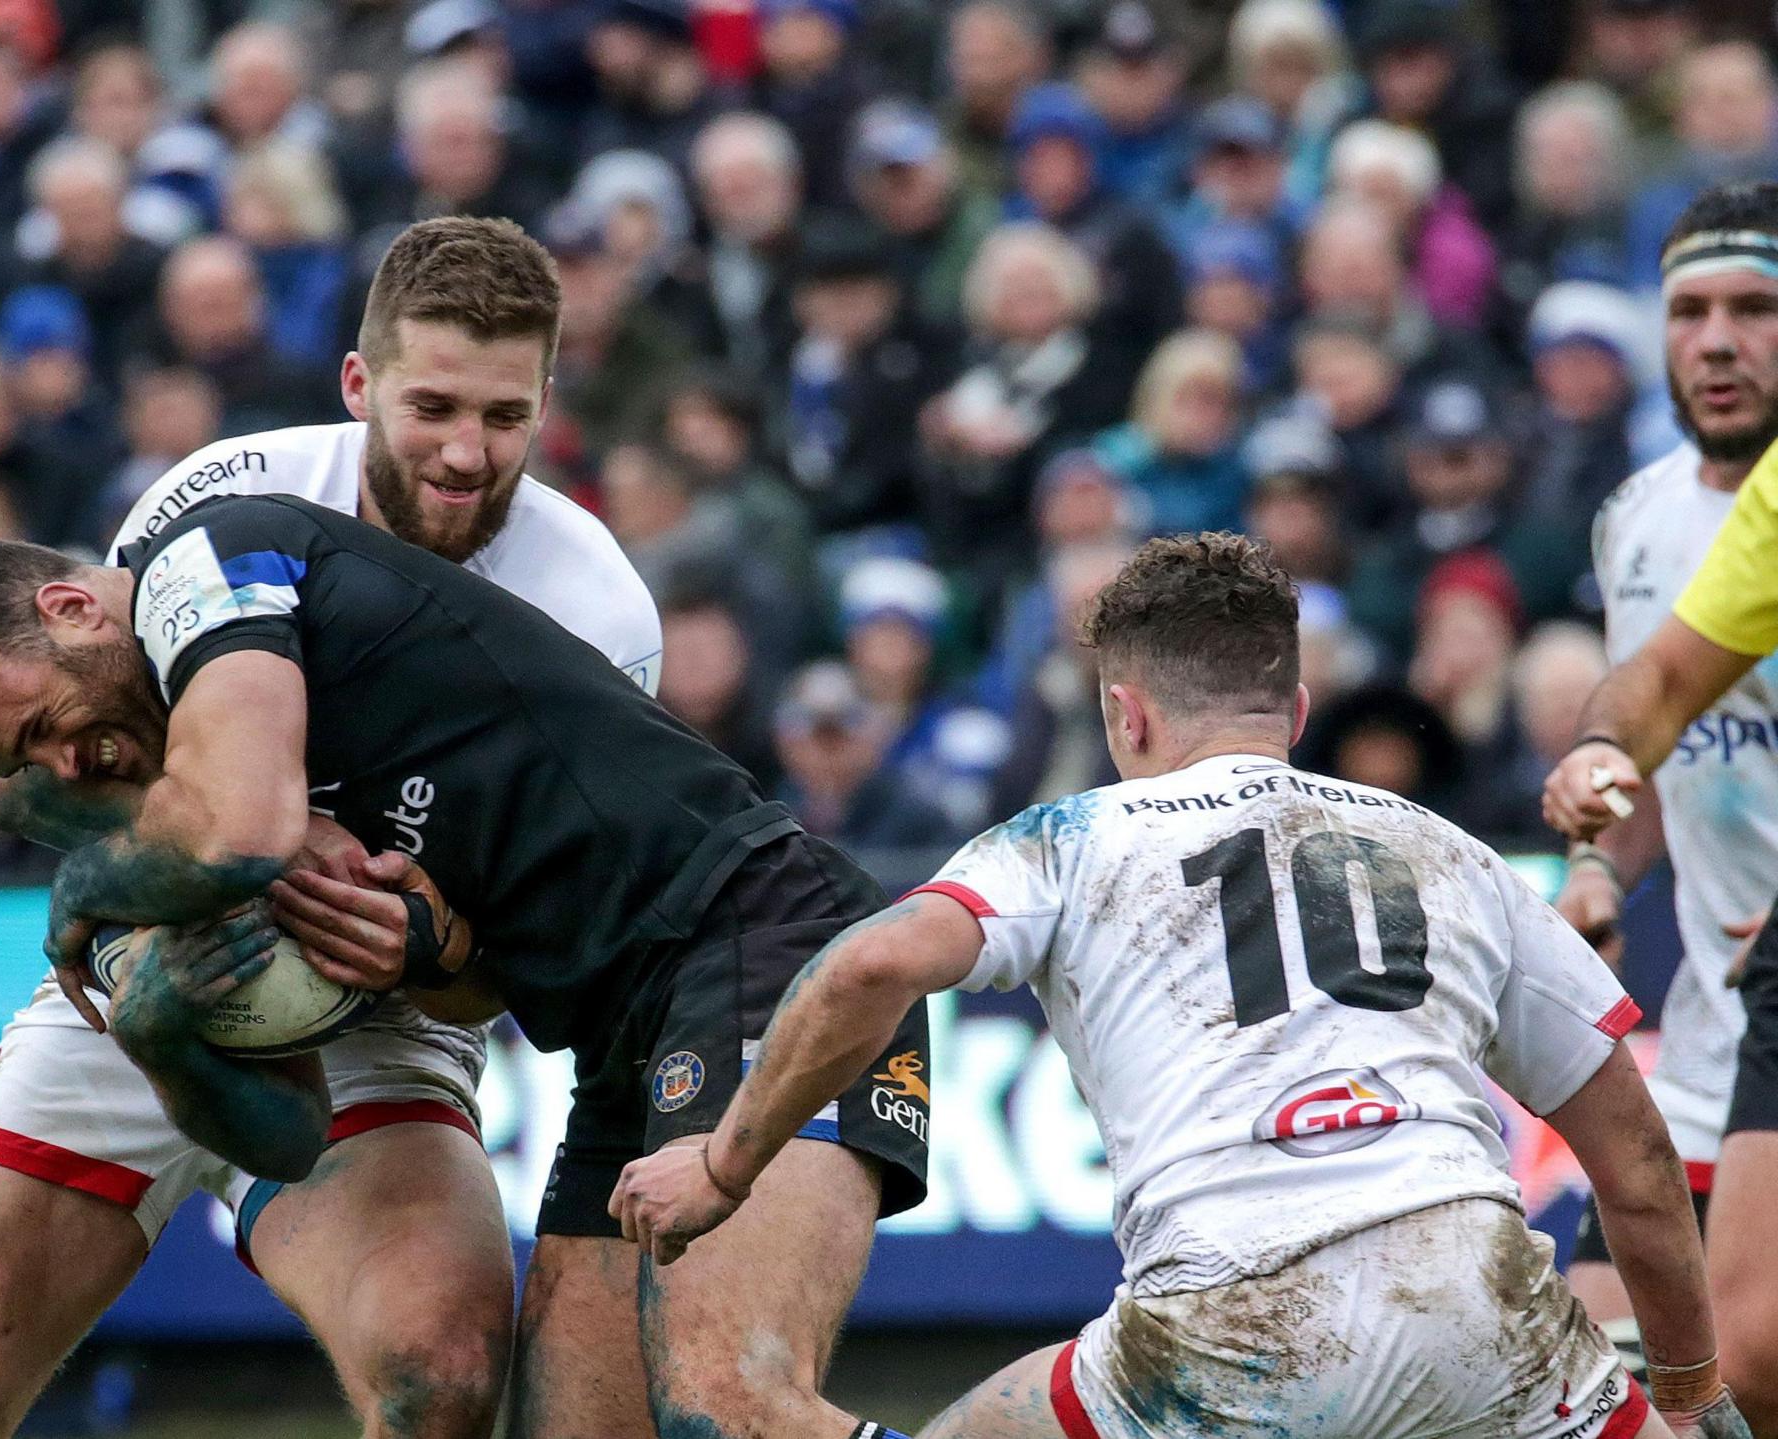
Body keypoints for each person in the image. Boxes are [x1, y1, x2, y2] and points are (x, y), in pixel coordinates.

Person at [0, 266, 937, 1439]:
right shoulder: (212, 503)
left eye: (501, 416)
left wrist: (419, 939)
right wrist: (164, 1030)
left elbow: (316, 862)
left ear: (545, 409)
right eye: (432, 407)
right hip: (562, 1025)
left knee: (643, 1394)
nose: (463, 452)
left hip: (705, 955)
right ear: (360, 388)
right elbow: (147, 796)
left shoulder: (580, 595)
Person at [616, 533, 1746, 1439]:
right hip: (1475, 1294)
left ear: (1126, 713)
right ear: (1295, 712)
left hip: (1235, 1313)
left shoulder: (1070, 837)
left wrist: (723, 1165)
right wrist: (1692, 1395)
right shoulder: (1454, 853)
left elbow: (867, 961)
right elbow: (1641, 1166)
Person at [1544, 181, 1778, 1432]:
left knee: (1745, 1363)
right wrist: (1594, 860)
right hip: (1709, 1034)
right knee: (1584, 1374)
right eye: (1690, 313)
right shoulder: (1635, 518)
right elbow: (1662, 733)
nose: (1718, 342)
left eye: (1753, 308)